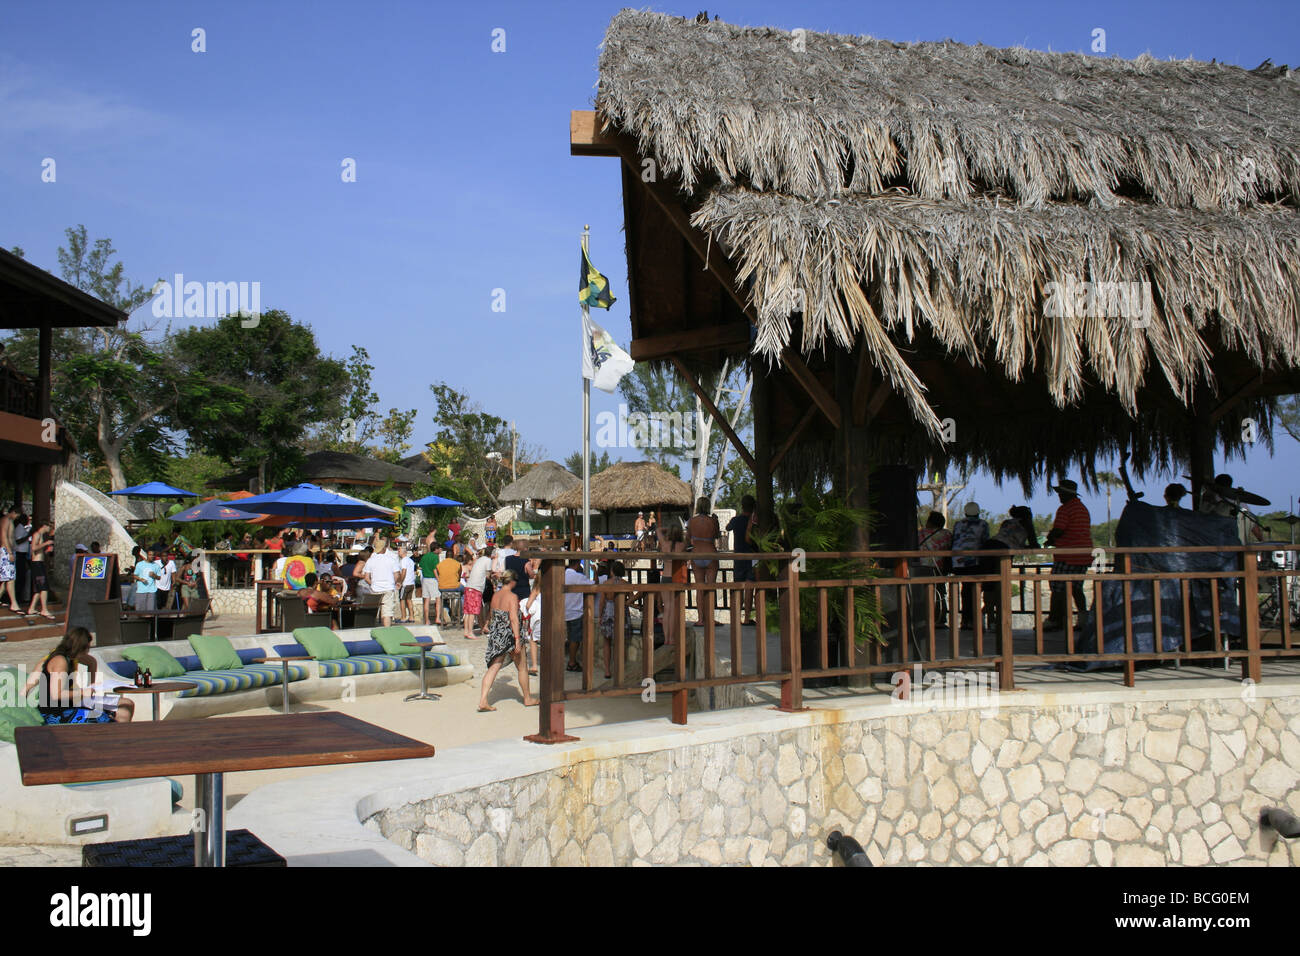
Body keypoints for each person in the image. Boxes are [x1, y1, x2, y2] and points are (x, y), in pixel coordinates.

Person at [24, 627, 135, 724]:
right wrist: (83, 692)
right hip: (54, 714)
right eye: (87, 648)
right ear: (79, 647)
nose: (87, 652)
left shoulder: (71, 656)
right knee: (105, 718)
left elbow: (92, 662)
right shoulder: (60, 661)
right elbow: (56, 695)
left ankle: (119, 742)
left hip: (68, 706)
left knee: (121, 710)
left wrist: (91, 687)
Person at [476, 570, 538, 712]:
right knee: (522, 667)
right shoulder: (512, 596)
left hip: (497, 635)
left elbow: (491, 614)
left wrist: (486, 625)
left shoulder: (496, 596)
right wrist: (517, 639)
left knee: (493, 667)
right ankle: (527, 698)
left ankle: (483, 700)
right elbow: (514, 619)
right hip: (509, 634)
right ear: (513, 582)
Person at [1044, 479, 1093, 631]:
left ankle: (1055, 619)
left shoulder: (1065, 509)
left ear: (1066, 494)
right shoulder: (1082, 508)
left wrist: (1050, 540)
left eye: (1060, 493)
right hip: (1084, 555)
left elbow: (1059, 529)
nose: (1059, 496)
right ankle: (1083, 619)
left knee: (1058, 587)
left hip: (1067, 555)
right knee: (1076, 588)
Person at [951, 502, 990, 629]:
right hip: (974, 561)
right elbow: (985, 542)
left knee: (965, 590)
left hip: (958, 561)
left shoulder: (958, 524)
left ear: (965, 512)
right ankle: (972, 620)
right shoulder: (983, 524)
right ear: (978, 512)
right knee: (974, 590)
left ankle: (965, 620)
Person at [687, 497, 722, 626]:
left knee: (699, 588)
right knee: (711, 588)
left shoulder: (691, 521)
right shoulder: (712, 521)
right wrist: (716, 521)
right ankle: (711, 618)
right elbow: (717, 535)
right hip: (710, 553)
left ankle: (700, 619)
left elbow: (688, 538)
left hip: (696, 554)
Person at [726, 495, 757, 625]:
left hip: (738, 556)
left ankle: (736, 617)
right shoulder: (754, 520)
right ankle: (747, 618)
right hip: (752, 555)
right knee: (750, 587)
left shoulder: (736, 520)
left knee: (738, 587)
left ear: (742, 506)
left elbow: (728, 528)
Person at [658, 523, 688, 647]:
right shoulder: (682, 545)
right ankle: (672, 638)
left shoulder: (664, 544)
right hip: (676, 577)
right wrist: (679, 531)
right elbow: (689, 537)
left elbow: (658, 529)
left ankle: (666, 638)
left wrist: (668, 529)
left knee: (667, 609)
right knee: (674, 610)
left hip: (665, 577)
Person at [362, 537, 402, 628]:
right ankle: (387, 630)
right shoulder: (391, 560)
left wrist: (373, 583)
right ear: (384, 548)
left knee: (374, 612)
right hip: (388, 588)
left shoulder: (370, 561)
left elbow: (366, 577)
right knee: (387, 612)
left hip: (375, 589)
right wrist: (393, 583)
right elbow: (397, 575)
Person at [598, 561, 628, 679]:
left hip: (608, 612)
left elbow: (601, 602)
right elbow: (631, 597)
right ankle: (619, 668)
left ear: (612, 571)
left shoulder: (606, 583)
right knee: (619, 643)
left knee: (607, 642)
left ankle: (607, 670)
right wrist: (626, 603)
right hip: (621, 612)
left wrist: (600, 616)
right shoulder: (625, 583)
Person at [25, 521, 55, 620]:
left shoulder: (41, 535)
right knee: (44, 587)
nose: (49, 529)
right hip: (37, 564)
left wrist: (46, 551)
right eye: (48, 527)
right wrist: (46, 543)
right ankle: (44, 610)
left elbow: (38, 551)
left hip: (39, 562)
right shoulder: (37, 534)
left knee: (38, 589)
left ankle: (32, 608)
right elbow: (33, 548)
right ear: (44, 526)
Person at [563, 556, 590, 671]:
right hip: (575, 612)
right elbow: (593, 584)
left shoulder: (562, 575)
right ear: (578, 564)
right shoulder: (578, 577)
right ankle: (572, 662)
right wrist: (597, 572)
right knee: (575, 638)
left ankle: (569, 660)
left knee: (569, 637)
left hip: (562, 610)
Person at [463, 547, 493, 639]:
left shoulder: (480, 559)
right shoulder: (488, 560)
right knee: (472, 611)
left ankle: (466, 631)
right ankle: (470, 632)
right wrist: (494, 575)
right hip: (476, 588)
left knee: (467, 611)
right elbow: (488, 576)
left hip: (469, 587)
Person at [436, 547, 463, 625]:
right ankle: (458, 613)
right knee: (464, 592)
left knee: (443, 598)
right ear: (453, 556)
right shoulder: (457, 564)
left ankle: (445, 609)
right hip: (454, 586)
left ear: (445, 556)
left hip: (442, 588)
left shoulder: (439, 565)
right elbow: (459, 577)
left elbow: (439, 575)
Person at [418, 545, 442, 626]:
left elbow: (420, 566)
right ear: (436, 549)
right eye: (439, 548)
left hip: (425, 579)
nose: (440, 550)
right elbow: (435, 569)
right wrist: (438, 579)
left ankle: (427, 620)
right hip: (433, 579)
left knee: (426, 600)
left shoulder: (424, 556)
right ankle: (437, 618)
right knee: (438, 598)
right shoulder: (435, 557)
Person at [0, 505, 18, 613]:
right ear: (14, 512)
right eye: (17, 515)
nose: (16, 517)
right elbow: (4, 536)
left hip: (7, 551)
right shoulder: (6, 520)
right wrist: (10, 552)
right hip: (6, 551)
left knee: (5, 579)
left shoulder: (6, 520)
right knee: (10, 579)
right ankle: (14, 603)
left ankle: (14, 603)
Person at [13, 512, 30, 606]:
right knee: (20, 577)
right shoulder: (19, 528)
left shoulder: (22, 528)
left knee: (23, 577)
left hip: (23, 555)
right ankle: (18, 597)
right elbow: (18, 541)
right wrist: (28, 536)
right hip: (19, 555)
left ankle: (21, 596)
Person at [397, 545, 417, 624]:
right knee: (409, 600)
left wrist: (400, 582)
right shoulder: (410, 560)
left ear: (403, 552)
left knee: (402, 600)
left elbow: (404, 572)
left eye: (399, 551)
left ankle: (403, 617)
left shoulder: (403, 560)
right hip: (411, 583)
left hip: (405, 583)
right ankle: (411, 617)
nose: (398, 552)